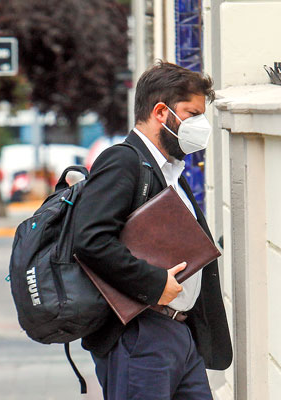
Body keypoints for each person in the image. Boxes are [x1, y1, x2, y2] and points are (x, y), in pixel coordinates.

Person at [72, 61, 233, 400]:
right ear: (161, 112)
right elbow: (89, 240)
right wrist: (155, 283)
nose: (200, 125)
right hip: (141, 335)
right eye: (192, 114)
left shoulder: (171, 171)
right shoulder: (123, 161)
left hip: (179, 333)